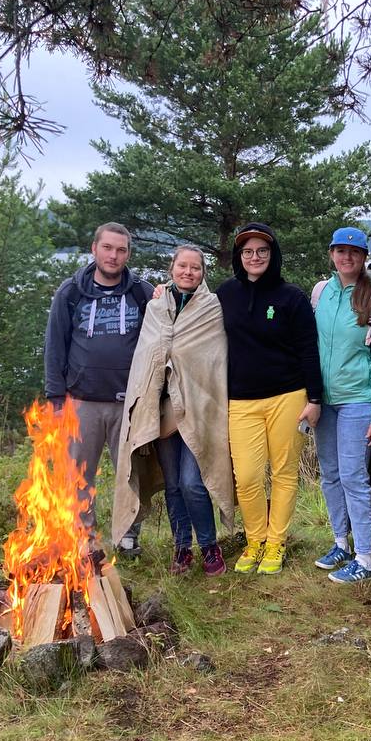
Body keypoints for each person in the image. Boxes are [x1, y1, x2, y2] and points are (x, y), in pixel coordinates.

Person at [113, 244, 234, 575]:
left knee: (193, 481)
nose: (188, 272)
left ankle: (209, 547)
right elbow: (147, 358)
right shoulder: (156, 307)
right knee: (173, 484)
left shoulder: (212, 308)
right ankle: (183, 549)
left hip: (198, 408)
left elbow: (213, 361)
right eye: (183, 266)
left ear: (203, 273)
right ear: (172, 269)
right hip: (162, 411)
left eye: (195, 268)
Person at [215, 223, 323, 575]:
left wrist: (315, 398)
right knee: (245, 476)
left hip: (288, 396)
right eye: (248, 251)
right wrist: (164, 293)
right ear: (239, 256)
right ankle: (254, 539)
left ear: (272, 255)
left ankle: (276, 543)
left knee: (283, 472)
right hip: (241, 401)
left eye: (262, 250)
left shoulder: (291, 297)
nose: (255, 257)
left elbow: (309, 349)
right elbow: (193, 314)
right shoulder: (225, 294)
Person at [44, 222, 152, 550]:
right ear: (94, 249)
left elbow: (162, 338)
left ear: (128, 254)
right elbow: (55, 346)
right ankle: (84, 540)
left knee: (132, 475)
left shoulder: (142, 293)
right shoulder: (70, 292)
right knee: (78, 476)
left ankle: (128, 536)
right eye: (107, 248)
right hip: (81, 401)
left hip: (129, 403)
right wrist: (55, 397)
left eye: (121, 250)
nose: (113, 255)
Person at [312, 227, 371, 583]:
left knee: (354, 477)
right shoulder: (321, 292)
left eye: (354, 252)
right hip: (324, 402)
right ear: (331, 254)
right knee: (329, 475)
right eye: (340, 251)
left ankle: (364, 557)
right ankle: (340, 542)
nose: (347, 257)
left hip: (359, 400)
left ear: (364, 257)